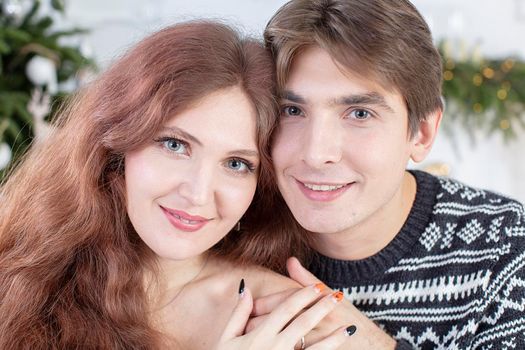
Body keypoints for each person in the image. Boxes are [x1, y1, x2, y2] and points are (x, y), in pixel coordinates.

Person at [0, 20, 355, 349]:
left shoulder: (282, 320)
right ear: (116, 143)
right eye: (175, 145)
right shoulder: (20, 269)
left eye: (236, 164)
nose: (198, 194)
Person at [245, 0, 525, 349]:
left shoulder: (506, 246)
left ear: (421, 133)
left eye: (359, 113)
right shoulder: (227, 226)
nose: (317, 154)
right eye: (292, 110)